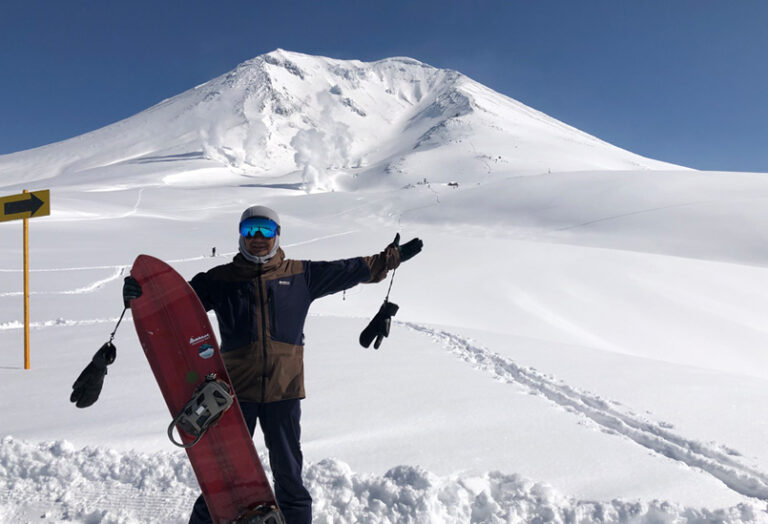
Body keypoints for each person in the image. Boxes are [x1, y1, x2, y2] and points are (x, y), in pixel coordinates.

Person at [122, 205, 423, 524]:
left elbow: (348, 269)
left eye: (265, 230)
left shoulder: (301, 275)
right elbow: (171, 304)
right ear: (240, 235)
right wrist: (138, 295)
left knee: (289, 478)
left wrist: (389, 259)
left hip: (285, 393)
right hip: (234, 398)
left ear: (277, 235)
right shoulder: (219, 280)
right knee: (220, 480)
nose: (258, 238)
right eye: (250, 230)